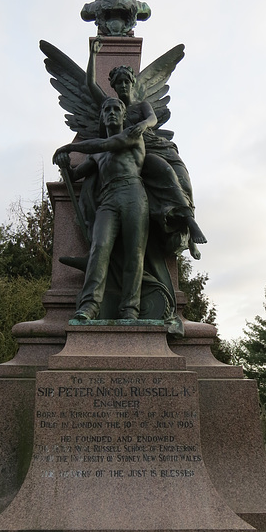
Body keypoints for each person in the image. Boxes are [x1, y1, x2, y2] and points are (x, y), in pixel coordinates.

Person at [86, 38, 207, 259]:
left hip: (158, 145)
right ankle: (189, 222)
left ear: (132, 83)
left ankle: (188, 235)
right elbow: (91, 86)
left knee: (184, 181)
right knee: (166, 173)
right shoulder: (114, 108)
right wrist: (92, 55)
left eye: (127, 82)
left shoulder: (142, 105)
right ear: (113, 86)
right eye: (119, 83)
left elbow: (152, 119)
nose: (123, 86)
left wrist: (142, 125)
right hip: (141, 153)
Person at [53, 97, 149, 321]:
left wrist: (70, 146)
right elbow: (77, 174)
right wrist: (65, 164)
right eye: (108, 110)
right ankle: (89, 306)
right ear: (102, 116)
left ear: (124, 116)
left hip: (133, 193)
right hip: (108, 198)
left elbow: (106, 144)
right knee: (99, 248)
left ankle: (130, 309)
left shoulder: (133, 135)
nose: (113, 113)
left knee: (134, 253)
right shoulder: (95, 153)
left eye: (117, 109)